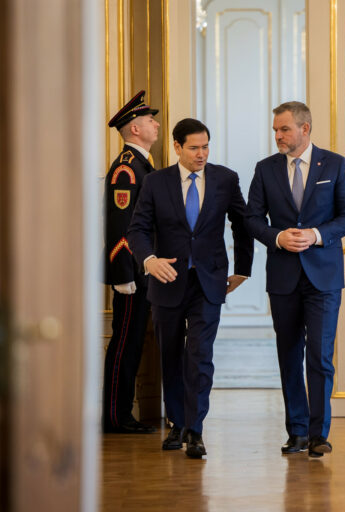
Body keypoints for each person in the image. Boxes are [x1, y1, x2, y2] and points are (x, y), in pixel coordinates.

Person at [127, 118, 253, 458]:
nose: (202, 154)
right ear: (177, 147)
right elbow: (137, 229)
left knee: (200, 355)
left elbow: (242, 224)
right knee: (170, 355)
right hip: (166, 281)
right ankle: (177, 424)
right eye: (194, 148)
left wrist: (243, 270)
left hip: (209, 282)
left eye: (206, 147)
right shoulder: (155, 182)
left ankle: (195, 430)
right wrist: (149, 260)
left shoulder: (226, 179)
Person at [246, 101, 345, 458]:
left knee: (320, 357)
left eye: (284, 129)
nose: (278, 136)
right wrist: (278, 237)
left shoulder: (335, 164)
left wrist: (316, 234)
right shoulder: (265, 169)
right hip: (283, 277)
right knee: (289, 355)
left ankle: (318, 434)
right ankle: (296, 432)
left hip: (323, 277)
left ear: (304, 128)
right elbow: (251, 219)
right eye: (275, 130)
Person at [102, 90, 159, 434]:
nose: (156, 125)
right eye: (150, 120)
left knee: (134, 342)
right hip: (132, 273)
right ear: (135, 128)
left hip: (142, 270)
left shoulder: (141, 164)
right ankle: (115, 417)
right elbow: (121, 226)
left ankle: (121, 414)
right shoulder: (127, 168)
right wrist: (124, 274)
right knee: (124, 343)